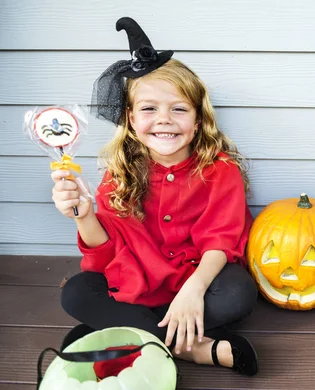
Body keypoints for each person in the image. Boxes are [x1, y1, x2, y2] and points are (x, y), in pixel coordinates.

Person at [51, 17, 259, 376]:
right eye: (149, 109)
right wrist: (84, 215)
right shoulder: (120, 171)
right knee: (76, 291)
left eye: (178, 109)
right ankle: (193, 349)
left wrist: (193, 291)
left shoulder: (219, 170)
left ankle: (128, 334)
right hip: (135, 283)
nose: (164, 119)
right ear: (131, 119)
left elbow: (220, 244)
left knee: (238, 291)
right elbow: (105, 257)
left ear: (197, 121)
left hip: (198, 282)